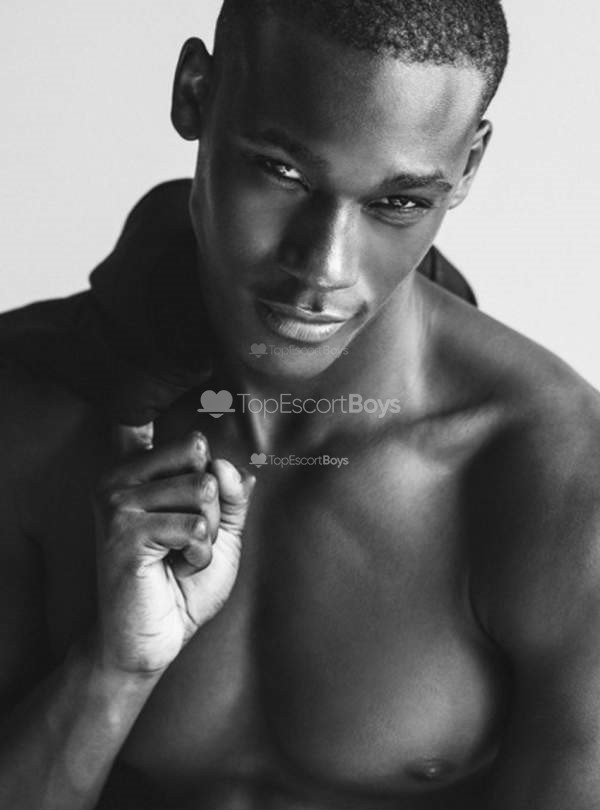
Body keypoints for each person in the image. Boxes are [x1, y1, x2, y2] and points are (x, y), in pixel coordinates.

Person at [1, 1, 599, 808]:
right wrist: (112, 670)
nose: (323, 268)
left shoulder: (560, 480)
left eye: (397, 203)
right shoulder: (31, 422)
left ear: (470, 164)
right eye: (282, 172)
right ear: (195, 93)